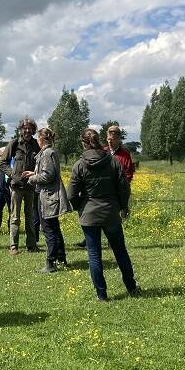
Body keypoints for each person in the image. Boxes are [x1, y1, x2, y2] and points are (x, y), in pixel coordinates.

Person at [68, 128, 141, 302]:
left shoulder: (79, 165)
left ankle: (101, 295)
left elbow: (71, 194)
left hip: (89, 214)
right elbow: (124, 187)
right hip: (110, 212)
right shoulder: (113, 161)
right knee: (120, 251)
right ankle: (131, 287)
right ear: (99, 141)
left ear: (83, 143)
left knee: (94, 254)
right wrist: (123, 206)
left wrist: (81, 207)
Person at [77, 125, 136, 249]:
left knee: (114, 217)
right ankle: (89, 240)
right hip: (103, 188)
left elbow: (129, 172)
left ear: (118, 139)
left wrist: (123, 183)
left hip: (118, 189)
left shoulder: (125, 154)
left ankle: (112, 243)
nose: (110, 141)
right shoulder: (103, 151)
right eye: (109, 139)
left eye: (113, 139)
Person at [22, 127, 71, 273]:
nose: (37, 140)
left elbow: (48, 175)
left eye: (38, 138)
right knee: (54, 228)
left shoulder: (47, 153)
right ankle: (61, 259)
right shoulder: (48, 152)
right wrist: (34, 172)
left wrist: (32, 178)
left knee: (49, 229)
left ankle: (51, 263)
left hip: (48, 197)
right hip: (48, 196)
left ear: (42, 139)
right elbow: (46, 171)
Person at [1, 117, 40, 255]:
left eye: (30, 128)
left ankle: (31, 245)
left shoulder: (37, 144)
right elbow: (3, 163)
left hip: (31, 187)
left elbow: (42, 164)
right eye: (25, 128)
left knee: (30, 217)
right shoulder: (14, 143)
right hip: (16, 187)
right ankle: (13, 246)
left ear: (33, 130)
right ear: (21, 130)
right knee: (15, 217)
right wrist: (14, 175)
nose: (27, 131)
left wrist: (35, 175)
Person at [0, 146, 12, 232]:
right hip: (1, 190)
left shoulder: (10, 163)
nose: (0, 156)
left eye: (1, 155)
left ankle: (11, 227)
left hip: (9, 190)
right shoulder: (1, 163)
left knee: (11, 210)